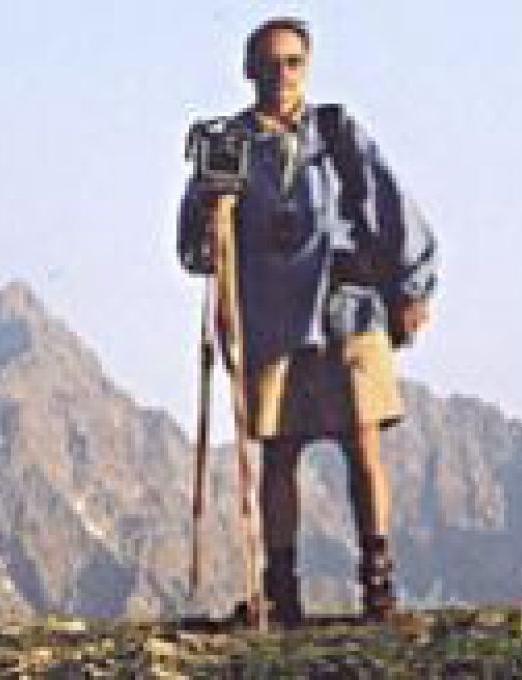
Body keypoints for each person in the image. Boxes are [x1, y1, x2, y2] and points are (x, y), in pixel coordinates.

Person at [177, 16, 438, 627]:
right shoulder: (228, 146)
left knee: (363, 440)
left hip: (348, 305)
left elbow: (390, 206)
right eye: (270, 64)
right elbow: (195, 251)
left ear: (308, 66)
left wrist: (412, 287)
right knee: (279, 452)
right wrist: (211, 216)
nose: (282, 75)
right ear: (249, 70)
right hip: (271, 318)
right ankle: (281, 592)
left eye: (293, 62)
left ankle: (378, 588)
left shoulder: (337, 134)